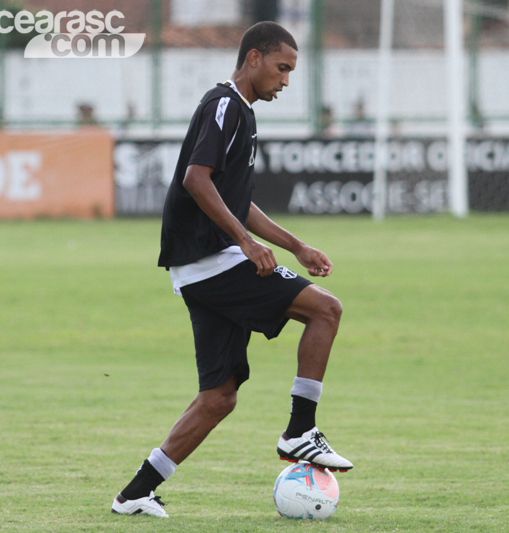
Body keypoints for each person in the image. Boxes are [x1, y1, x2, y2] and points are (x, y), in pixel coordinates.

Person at [111, 21, 352, 518]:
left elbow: (234, 200)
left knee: (219, 397)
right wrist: (245, 245)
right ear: (254, 58)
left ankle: (135, 492)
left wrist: (295, 245)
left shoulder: (243, 114)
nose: (286, 81)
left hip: (202, 267)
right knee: (326, 310)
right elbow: (196, 180)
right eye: (282, 68)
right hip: (211, 261)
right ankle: (300, 430)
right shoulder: (225, 105)